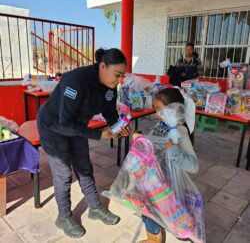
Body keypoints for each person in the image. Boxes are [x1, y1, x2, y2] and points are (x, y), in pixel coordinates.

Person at [37, 48, 131, 238]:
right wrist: (98, 135)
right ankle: (63, 217)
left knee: (84, 168)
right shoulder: (76, 81)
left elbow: (110, 113)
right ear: (102, 66)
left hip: (76, 126)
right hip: (53, 126)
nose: (119, 81)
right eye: (117, 75)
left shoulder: (110, 87)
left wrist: (118, 126)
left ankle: (95, 208)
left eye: (122, 76)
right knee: (63, 174)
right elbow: (65, 122)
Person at [139, 88, 199, 243]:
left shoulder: (179, 131)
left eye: (159, 109)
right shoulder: (161, 125)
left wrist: (172, 149)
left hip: (166, 187)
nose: (156, 114)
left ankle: (158, 237)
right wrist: (141, 139)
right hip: (153, 180)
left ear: (175, 109)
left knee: (156, 212)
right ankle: (153, 237)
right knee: (147, 211)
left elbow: (194, 166)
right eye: (155, 109)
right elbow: (154, 143)